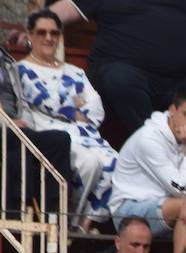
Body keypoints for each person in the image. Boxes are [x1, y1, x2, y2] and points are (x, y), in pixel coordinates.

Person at [46, 0, 186, 136]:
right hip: (124, 71)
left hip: (180, 79)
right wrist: (33, 26)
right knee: (120, 79)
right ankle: (155, 144)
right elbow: (68, 8)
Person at [15, 10, 116, 229]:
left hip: (88, 136)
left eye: (54, 33)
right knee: (90, 163)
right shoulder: (21, 70)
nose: (48, 38)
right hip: (52, 138)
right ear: (30, 35)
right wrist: (75, 106)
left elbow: (96, 108)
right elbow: (45, 99)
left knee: (118, 165)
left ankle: (84, 223)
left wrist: (69, 108)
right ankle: (67, 224)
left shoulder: (76, 71)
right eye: (42, 32)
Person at [109, 87, 186, 253]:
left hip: (168, 202)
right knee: (185, 205)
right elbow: (180, 188)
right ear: (172, 110)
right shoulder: (149, 138)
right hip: (129, 209)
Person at [1, 42, 74, 219]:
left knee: (60, 140)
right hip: (5, 126)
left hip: (15, 126)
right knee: (21, 140)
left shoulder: (6, 58)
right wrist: (7, 122)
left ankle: (53, 213)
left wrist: (25, 122)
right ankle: (16, 211)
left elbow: (20, 100)